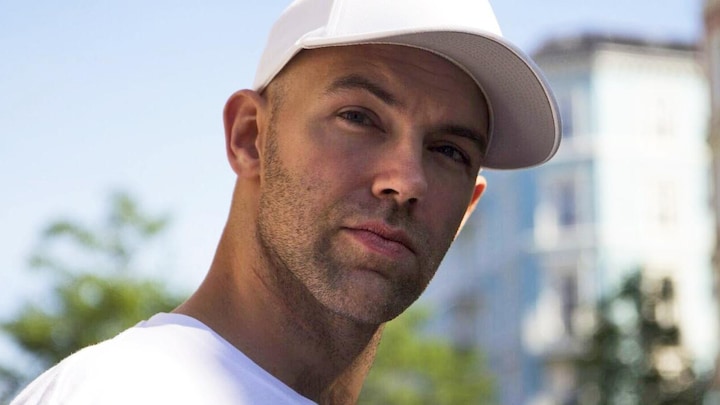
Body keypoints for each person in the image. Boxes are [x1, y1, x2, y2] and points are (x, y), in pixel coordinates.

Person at [12, 0, 560, 403]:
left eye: (449, 150)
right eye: (359, 117)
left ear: (467, 211)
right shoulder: (126, 392)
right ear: (250, 137)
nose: (406, 180)